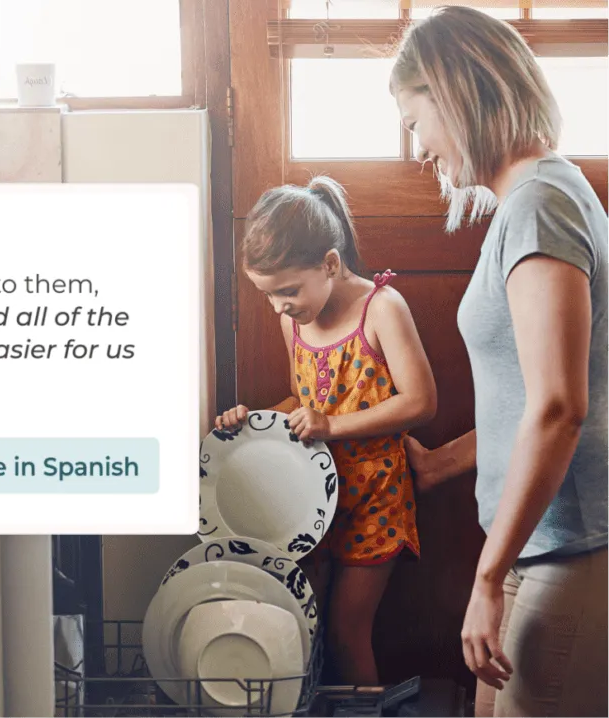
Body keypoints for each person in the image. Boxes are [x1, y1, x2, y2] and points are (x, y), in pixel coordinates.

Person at [389, 7, 608, 718]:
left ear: (456, 96)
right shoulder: (536, 199)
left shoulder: (540, 205)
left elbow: (559, 408)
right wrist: (439, 464)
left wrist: (484, 579)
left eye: (418, 121)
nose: (419, 148)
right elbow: (537, 399)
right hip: (537, 546)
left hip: (567, 550)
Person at [215, 174, 438, 686]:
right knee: (303, 626)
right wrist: (256, 421)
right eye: (268, 295)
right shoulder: (292, 320)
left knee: (345, 633)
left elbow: (421, 401)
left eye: (288, 291)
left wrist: (331, 424)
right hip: (307, 495)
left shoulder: (382, 307)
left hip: (375, 496)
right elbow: (307, 401)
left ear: (330, 265)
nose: (279, 306)